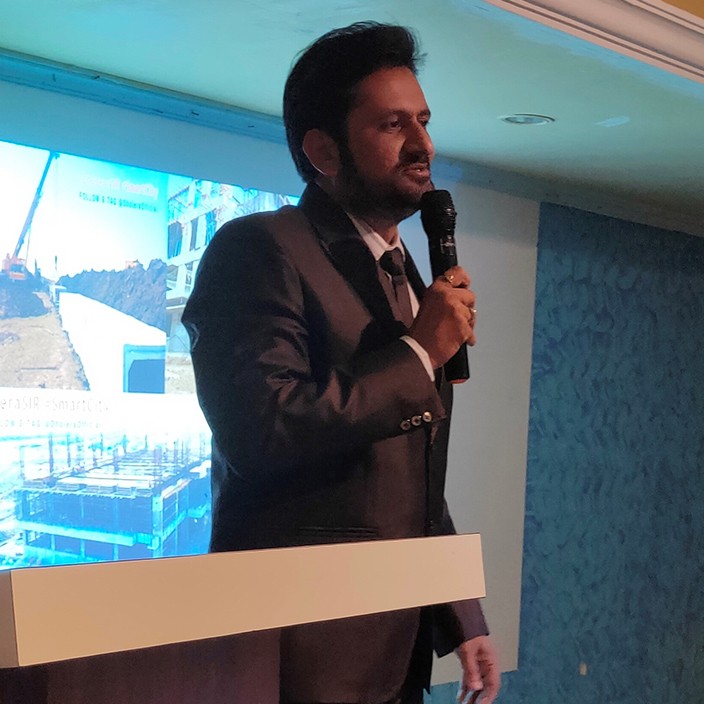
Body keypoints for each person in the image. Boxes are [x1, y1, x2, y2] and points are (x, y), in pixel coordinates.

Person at [182, 21, 500, 704]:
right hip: (295, 655)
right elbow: (262, 430)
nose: (423, 145)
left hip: (397, 653)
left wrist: (461, 616)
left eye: (423, 121)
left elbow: (412, 478)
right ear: (323, 150)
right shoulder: (260, 249)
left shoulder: (408, 275)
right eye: (392, 124)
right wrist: (419, 352)